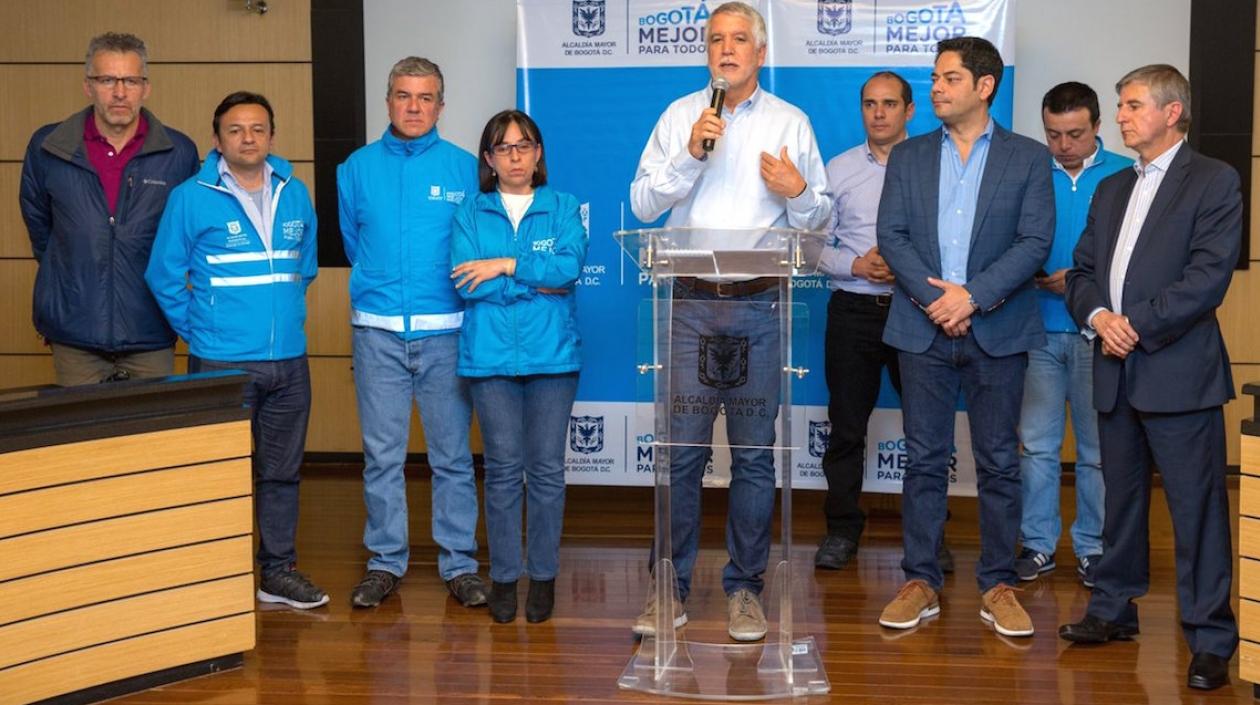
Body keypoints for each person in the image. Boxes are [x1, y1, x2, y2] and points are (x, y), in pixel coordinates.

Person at [629, 1, 830, 642]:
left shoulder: (790, 122)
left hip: (761, 305)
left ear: (760, 53)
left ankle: (745, 590)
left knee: (751, 456)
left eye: (740, 38)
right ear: (705, 50)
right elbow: (639, 202)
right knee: (682, 456)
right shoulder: (679, 117)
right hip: (688, 302)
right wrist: (690, 155)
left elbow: (818, 225)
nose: (726, 48)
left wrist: (799, 192)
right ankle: (671, 592)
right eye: (716, 38)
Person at [1059, 64, 1240, 692]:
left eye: (1132, 105)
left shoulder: (1214, 181)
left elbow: (1208, 278)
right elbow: (1080, 273)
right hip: (1115, 368)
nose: (1122, 115)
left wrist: (1131, 325)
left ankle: (1211, 639)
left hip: (1178, 374)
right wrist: (1099, 316)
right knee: (1121, 504)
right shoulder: (1111, 189)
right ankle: (1113, 609)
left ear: (1171, 113)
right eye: (1121, 104)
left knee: (1196, 513)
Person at [875, 36, 1053, 638]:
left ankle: (998, 583)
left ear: (985, 86)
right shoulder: (908, 156)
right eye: (933, 78)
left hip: (997, 327)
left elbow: (1035, 242)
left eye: (948, 79)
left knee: (1000, 461)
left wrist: (971, 297)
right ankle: (921, 579)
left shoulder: (1028, 157)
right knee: (924, 459)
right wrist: (939, 301)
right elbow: (892, 237)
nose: (935, 89)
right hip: (923, 329)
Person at [146, 91, 325, 608]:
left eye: (258, 129)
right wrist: (203, 330)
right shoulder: (190, 196)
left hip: (290, 362)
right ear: (217, 138)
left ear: (272, 134)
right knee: (219, 471)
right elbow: (162, 276)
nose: (248, 138)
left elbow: (303, 268)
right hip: (222, 363)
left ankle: (277, 573)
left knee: (281, 472)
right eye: (235, 129)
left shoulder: (295, 190)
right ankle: (216, 577)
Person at [337, 57, 486, 609]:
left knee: (451, 456)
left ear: (441, 106)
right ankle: (384, 562)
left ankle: (459, 564)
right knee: (382, 457)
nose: (414, 106)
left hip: (447, 332)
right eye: (404, 95)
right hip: (376, 334)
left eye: (426, 97)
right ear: (388, 100)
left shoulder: (467, 169)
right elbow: (355, 243)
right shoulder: (354, 167)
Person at [450, 110, 587, 624]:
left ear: (537, 155)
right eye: (503, 148)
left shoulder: (563, 207)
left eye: (524, 146)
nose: (515, 156)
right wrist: (535, 280)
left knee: (547, 472)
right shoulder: (469, 213)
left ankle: (544, 577)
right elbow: (468, 283)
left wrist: (505, 265)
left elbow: (569, 270)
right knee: (504, 472)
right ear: (488, 159)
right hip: (489, 359)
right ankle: (504, 577)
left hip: (553, 356)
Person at [19, 32, 198, 386]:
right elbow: (42, 232)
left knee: (152, 439)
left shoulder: (179, 152)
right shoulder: (47, 146)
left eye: (130, 80)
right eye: (107, 80)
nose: (119, 92)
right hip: (75, 331)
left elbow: (187, 238)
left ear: (145, 87)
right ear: (88, 86)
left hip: (151, 328)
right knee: (83, 440)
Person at [1014, 82, 1131, 586]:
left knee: (1095, 450)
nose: (1063, 145)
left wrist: (1083, 280)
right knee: (1037, 445)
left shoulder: (1127, 173)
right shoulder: (1029, 170)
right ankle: (1038, 545)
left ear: (1098, 127)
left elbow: (1136, 252)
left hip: (1097, 330)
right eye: (1053, 134)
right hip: (1036, 327)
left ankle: (1092, 547)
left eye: (1075, 134)